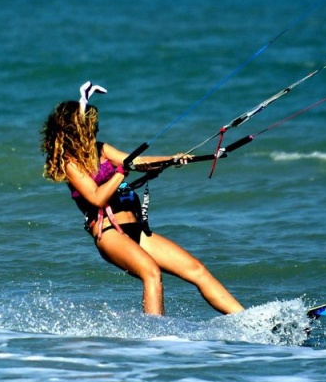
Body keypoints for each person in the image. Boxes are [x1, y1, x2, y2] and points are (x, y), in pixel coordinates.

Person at [40, 82, 245, 316]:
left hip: (135, 229)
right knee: (151, 273)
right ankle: (155, 341)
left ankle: (248, 321)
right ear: (76, 130)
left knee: (196, 269)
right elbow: (97, 198)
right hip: (109, 233)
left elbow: (135, 161)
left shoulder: (101, 149)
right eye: (91, 126)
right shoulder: (70, 164)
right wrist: (121, 173)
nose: (96, 130)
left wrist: (171, 159)